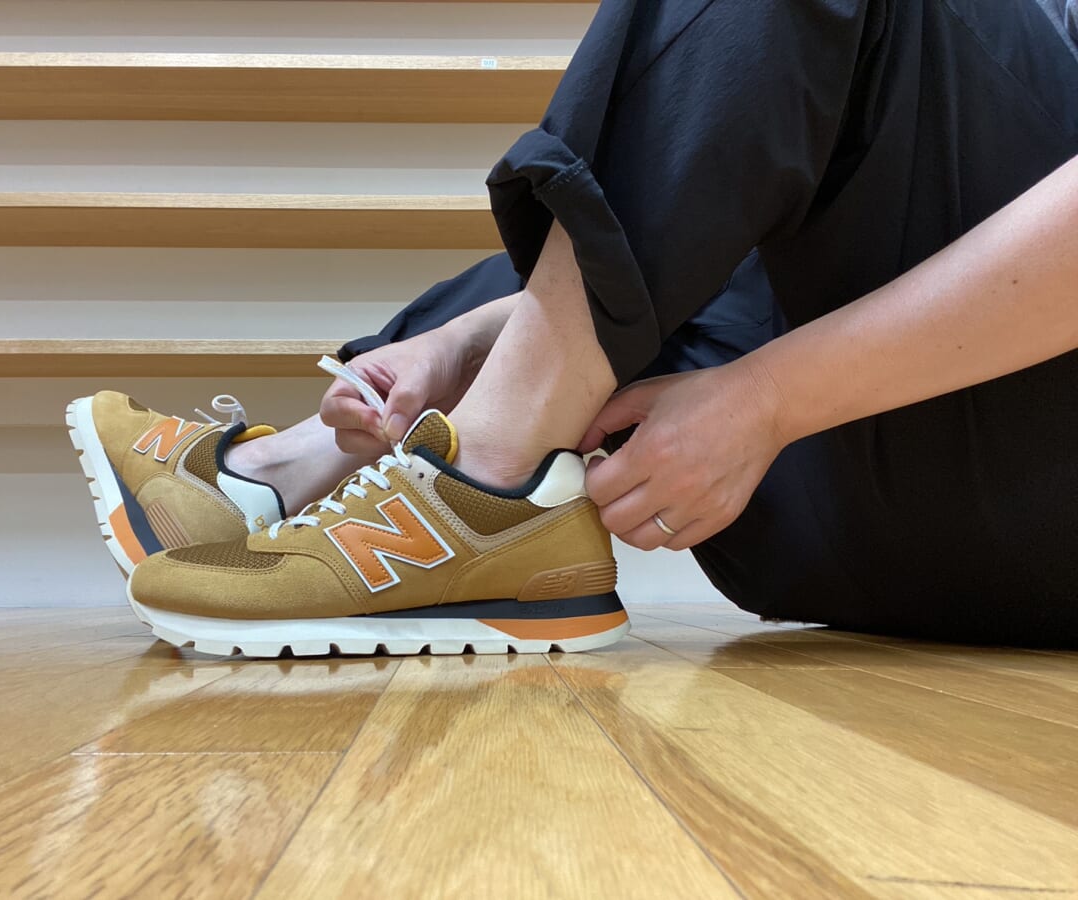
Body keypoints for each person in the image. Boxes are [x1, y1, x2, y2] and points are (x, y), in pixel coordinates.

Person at [68, 0, 1078, 655]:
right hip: (867, 512)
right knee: (631, 263)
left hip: (1025, 516)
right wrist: (485, 335)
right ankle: (282, 480)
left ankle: (481, 484)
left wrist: (767, 401)